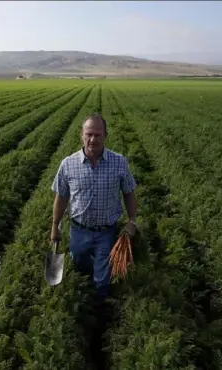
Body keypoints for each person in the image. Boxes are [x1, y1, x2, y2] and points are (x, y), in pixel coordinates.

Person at [50, 112, 137, 300]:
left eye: (97, 134)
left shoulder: (119, 162)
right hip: (79, 230)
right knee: (80, 264)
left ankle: (100, 305)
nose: (93, 139)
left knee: (102, 279)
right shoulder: (68, 164)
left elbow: (129, 192)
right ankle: (87, 290)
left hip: (107, 231)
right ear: (81, 134)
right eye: (89, 134)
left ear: (105, 135)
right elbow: (61, 197)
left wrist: (132, 221)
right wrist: (55, 226)